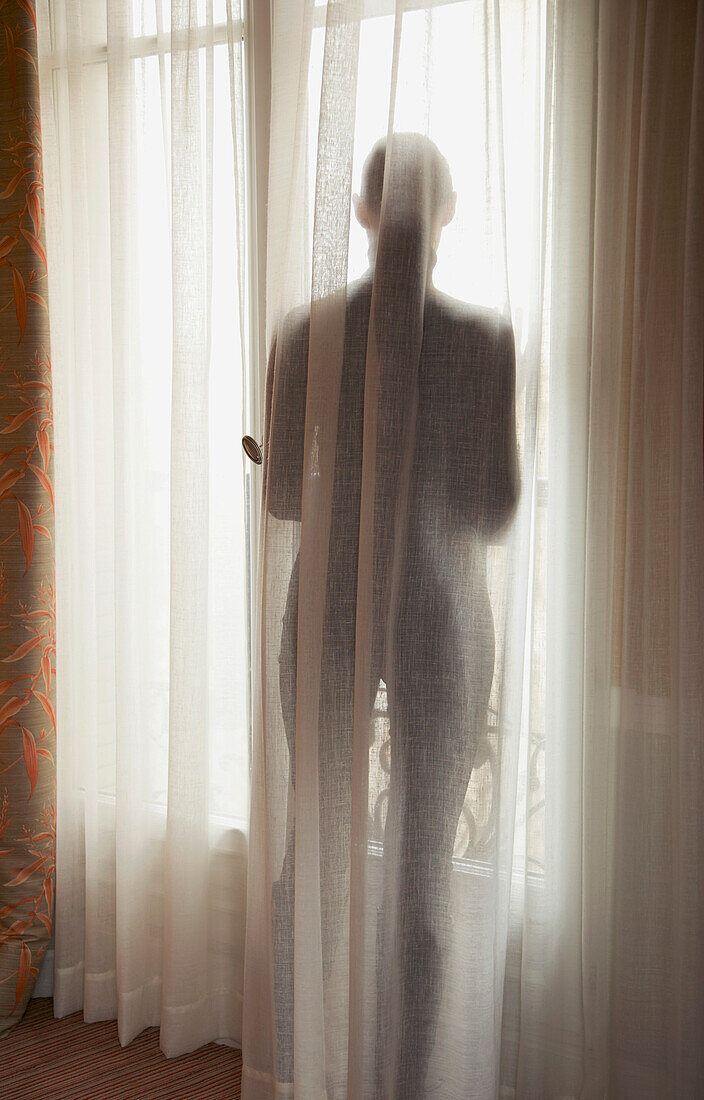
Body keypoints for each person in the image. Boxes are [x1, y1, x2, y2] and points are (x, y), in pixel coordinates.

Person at [264, 133, 520, 1097]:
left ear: (364, 213)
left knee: (314, 850)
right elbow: (495, 508)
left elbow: (286, 495)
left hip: (327, 598)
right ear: (447, 213)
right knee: (421, 881)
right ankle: (405, 1084)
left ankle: (300, 1072)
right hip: (445, 611)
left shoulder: (305, 331)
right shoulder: (485, 339)